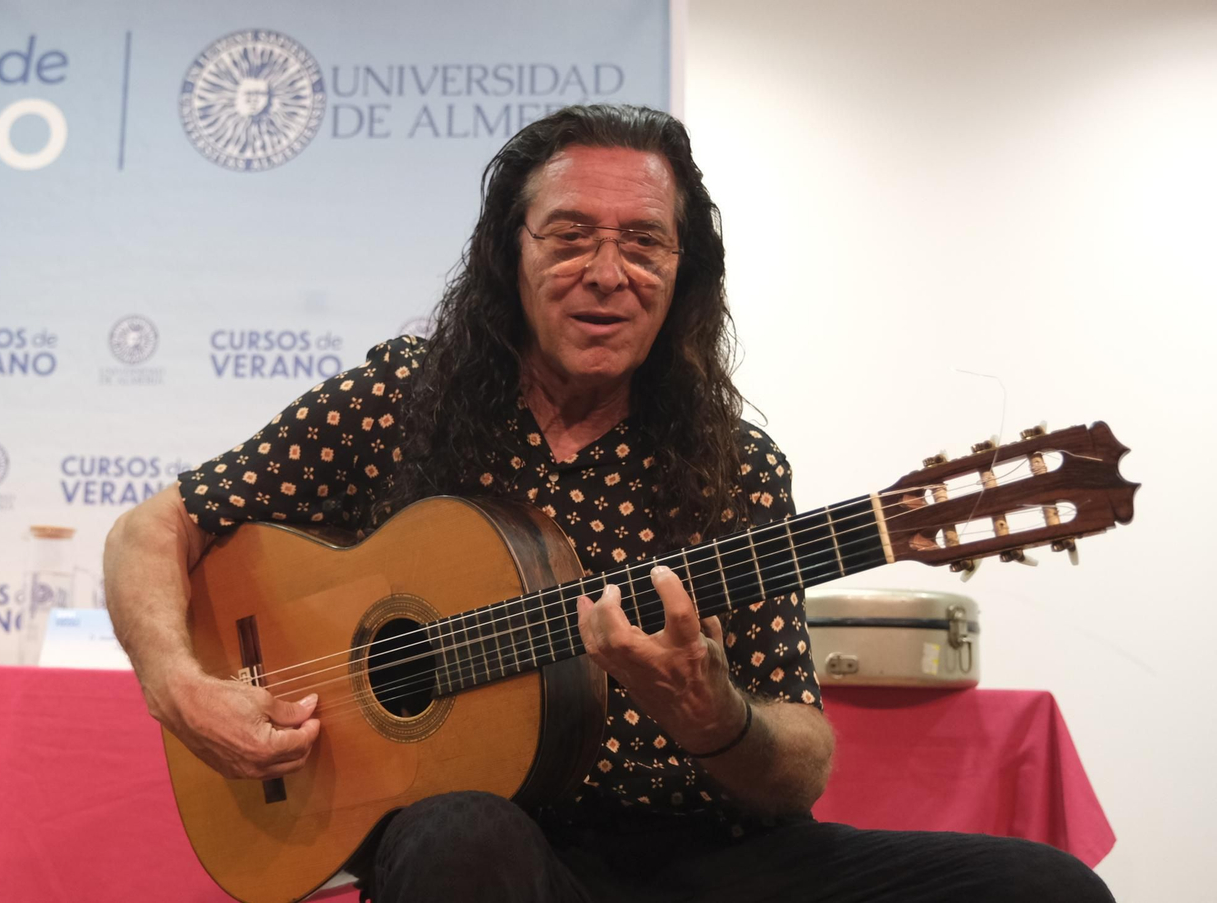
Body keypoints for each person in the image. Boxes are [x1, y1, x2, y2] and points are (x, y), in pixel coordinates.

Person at [104, 104, 1113, 902]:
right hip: (500, 850)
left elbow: (798, 764)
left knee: (1044, 887)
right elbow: (158, 525)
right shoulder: (399, 399)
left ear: (683, 274)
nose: (606, 273)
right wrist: (181, 686)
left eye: (643, 243)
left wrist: (715, 717)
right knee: (461, 837)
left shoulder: (735, 466)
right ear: (511, 255)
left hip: (713, 856)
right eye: (569, 235)